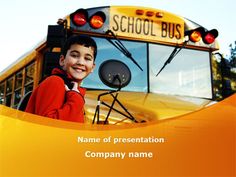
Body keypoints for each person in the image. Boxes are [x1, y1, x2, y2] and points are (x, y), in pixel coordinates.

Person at [25, 35, 97, 123]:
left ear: (93, 67)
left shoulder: (74, 90)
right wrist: (76, 100)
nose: (81, 62)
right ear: (62, 60)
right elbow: (48, 126)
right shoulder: (55, 82)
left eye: (87, 58)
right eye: (74, 55)